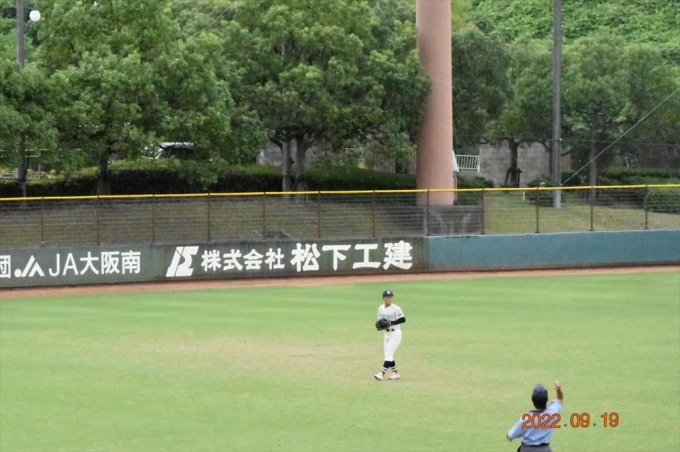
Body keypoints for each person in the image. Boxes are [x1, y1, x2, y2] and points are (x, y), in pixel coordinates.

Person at [506, 381, 564, 452]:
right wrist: (559, 390)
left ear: (532, 400)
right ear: (546, 400)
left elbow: (511, 435)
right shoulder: (552, 413)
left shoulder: (526, 419)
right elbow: (560, 400)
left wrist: (508, 434)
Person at [374, 290, 406, 381]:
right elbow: (380, 320)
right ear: (383, 298)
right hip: (387, 334)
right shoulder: (381, 308)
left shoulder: (396, 308)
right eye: (387, 297)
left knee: (389, 354)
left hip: (396, 333)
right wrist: (382, 324)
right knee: (388, 355)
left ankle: (381, 373)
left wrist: (391, 322)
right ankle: (395, 373)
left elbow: (403, 319)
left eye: (390, 297)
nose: (389, 298)